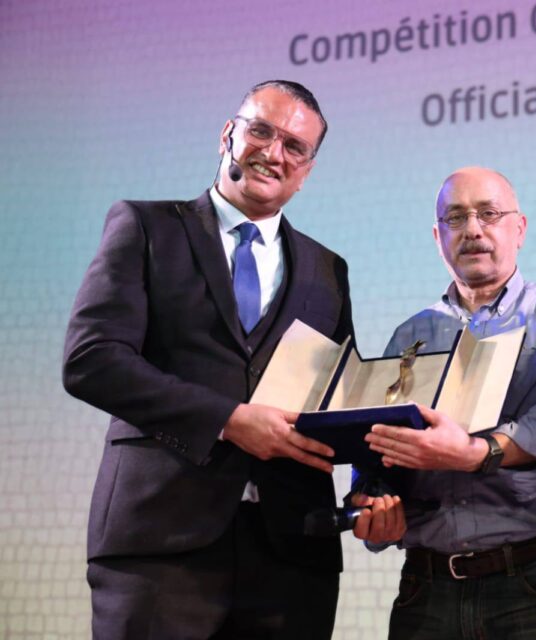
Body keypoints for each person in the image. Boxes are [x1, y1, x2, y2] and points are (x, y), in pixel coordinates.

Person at [63, 80, 403, 639]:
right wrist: (227, 419)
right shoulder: (146, 227)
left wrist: (373, 484)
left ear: (307, 170)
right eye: (261, 131)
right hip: (160, 544)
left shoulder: (327, 269)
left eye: (295, 146)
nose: (274, 152)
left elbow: (342, 397)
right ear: (228, 134)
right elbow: (91, 359)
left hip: (293, 554)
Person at [357, 166, 536, 639]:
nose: (472, 229)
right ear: (438, 237)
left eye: (488, 214)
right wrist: (372, 500)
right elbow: (379, 446)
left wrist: (471, 453)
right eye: (456, 218)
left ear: (519, 228)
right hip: (427, 589)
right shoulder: (410, 335)